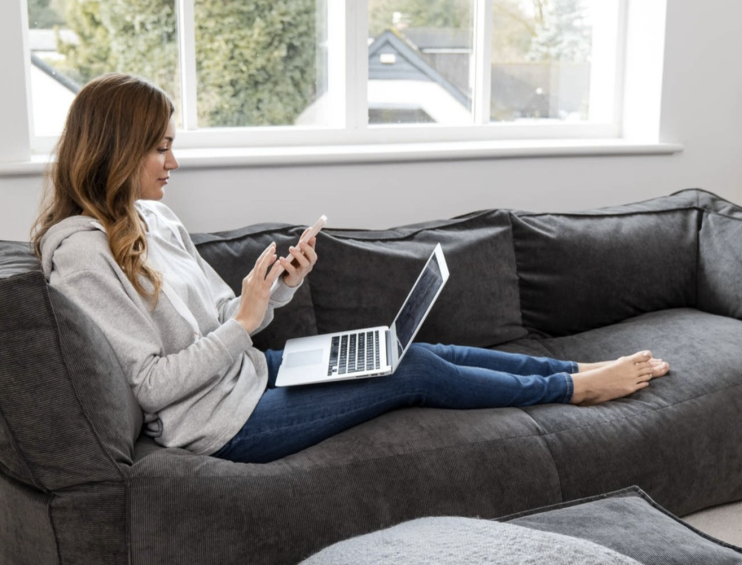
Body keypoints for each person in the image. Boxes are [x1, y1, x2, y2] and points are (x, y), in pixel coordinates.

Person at [32, 74, 670, 464]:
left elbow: (228, 319)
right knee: (414, 369)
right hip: (217, 425)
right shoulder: (84, 255)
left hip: (248, 376)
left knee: (404, 346)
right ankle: (574, 391)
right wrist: (247, 324)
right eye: (162, 147)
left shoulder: (155, 220)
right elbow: (149, 386)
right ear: (118, 149)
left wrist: (277, 291)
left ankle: (572, 366)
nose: (174, 163)